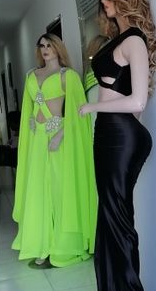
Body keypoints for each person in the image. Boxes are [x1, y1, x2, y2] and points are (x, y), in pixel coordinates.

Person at [78, 0, 156, 291]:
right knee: (111, 223)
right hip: (112, 136)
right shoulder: (121, 39)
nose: (104, 4)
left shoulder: (134, 42)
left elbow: (138, 102)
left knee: (118, 224)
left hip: (120, 137)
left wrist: (92, 107)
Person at [12, 33, 97, 268]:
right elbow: (28, 108)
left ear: (58, 48)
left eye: (50, 45)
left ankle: (61, 245)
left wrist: (60, 135)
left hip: (57, 136)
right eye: (42, 45)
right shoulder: (32, 75)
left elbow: (78, 113)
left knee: (59, 190)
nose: (45, 49)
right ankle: (42, 244)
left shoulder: (67, 76)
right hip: (36, 139)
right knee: (38, 189)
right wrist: (30, 124)